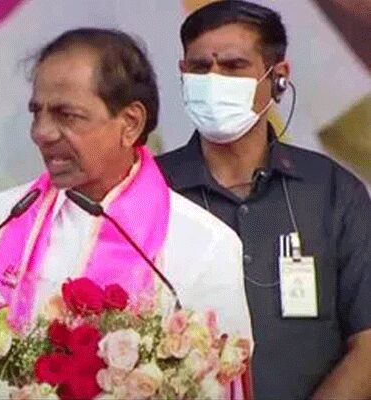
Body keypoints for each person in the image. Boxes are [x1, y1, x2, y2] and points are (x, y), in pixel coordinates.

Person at [0, 28, 252, 361]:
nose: (42, 133)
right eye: (36, 112)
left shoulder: (203, 244)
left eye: (66, 115)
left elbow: (222, 378)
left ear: (130, 123)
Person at [156, 2, 371, 399]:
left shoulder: (332, 191)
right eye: (200, 68)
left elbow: (368, 345)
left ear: (279, 78)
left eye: (233, 66)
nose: (214, 80)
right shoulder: (149, 192)